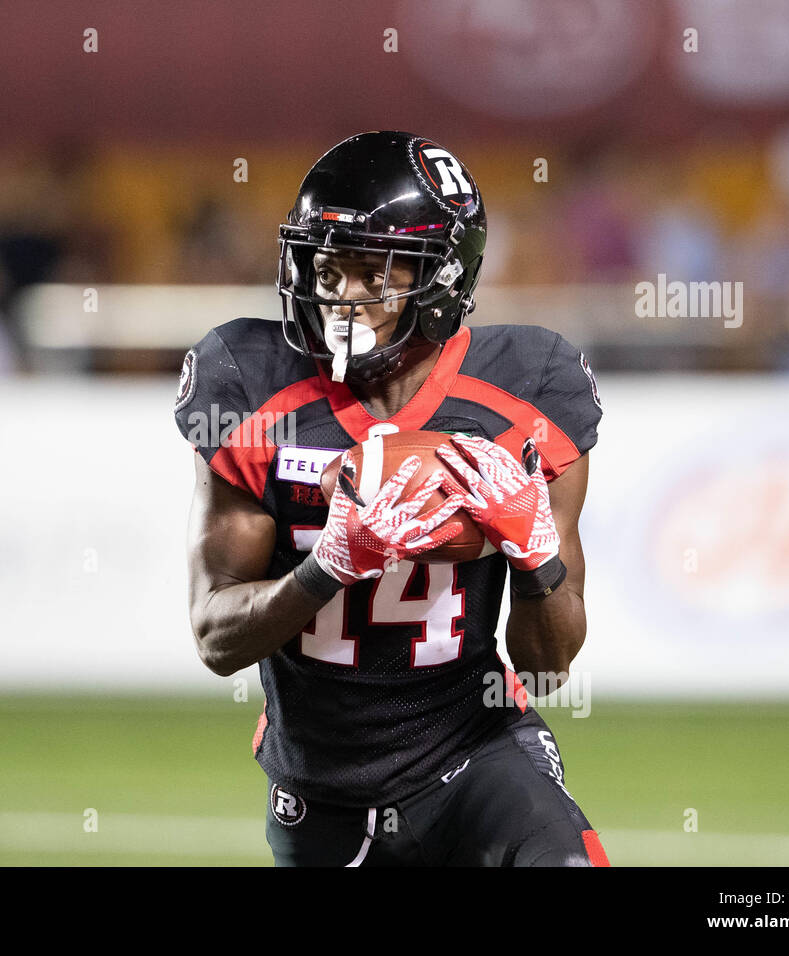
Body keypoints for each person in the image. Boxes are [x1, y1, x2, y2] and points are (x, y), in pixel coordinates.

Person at [174, 131, 608, 866]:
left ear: (441, 279)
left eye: (371, 272)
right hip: (321, 785)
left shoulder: (524, 390)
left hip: (477, 753)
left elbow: (546, 668)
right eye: (328, 266)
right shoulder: (249, 383)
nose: (340, 295)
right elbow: (216, 638)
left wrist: (536, 557)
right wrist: (329, 566)